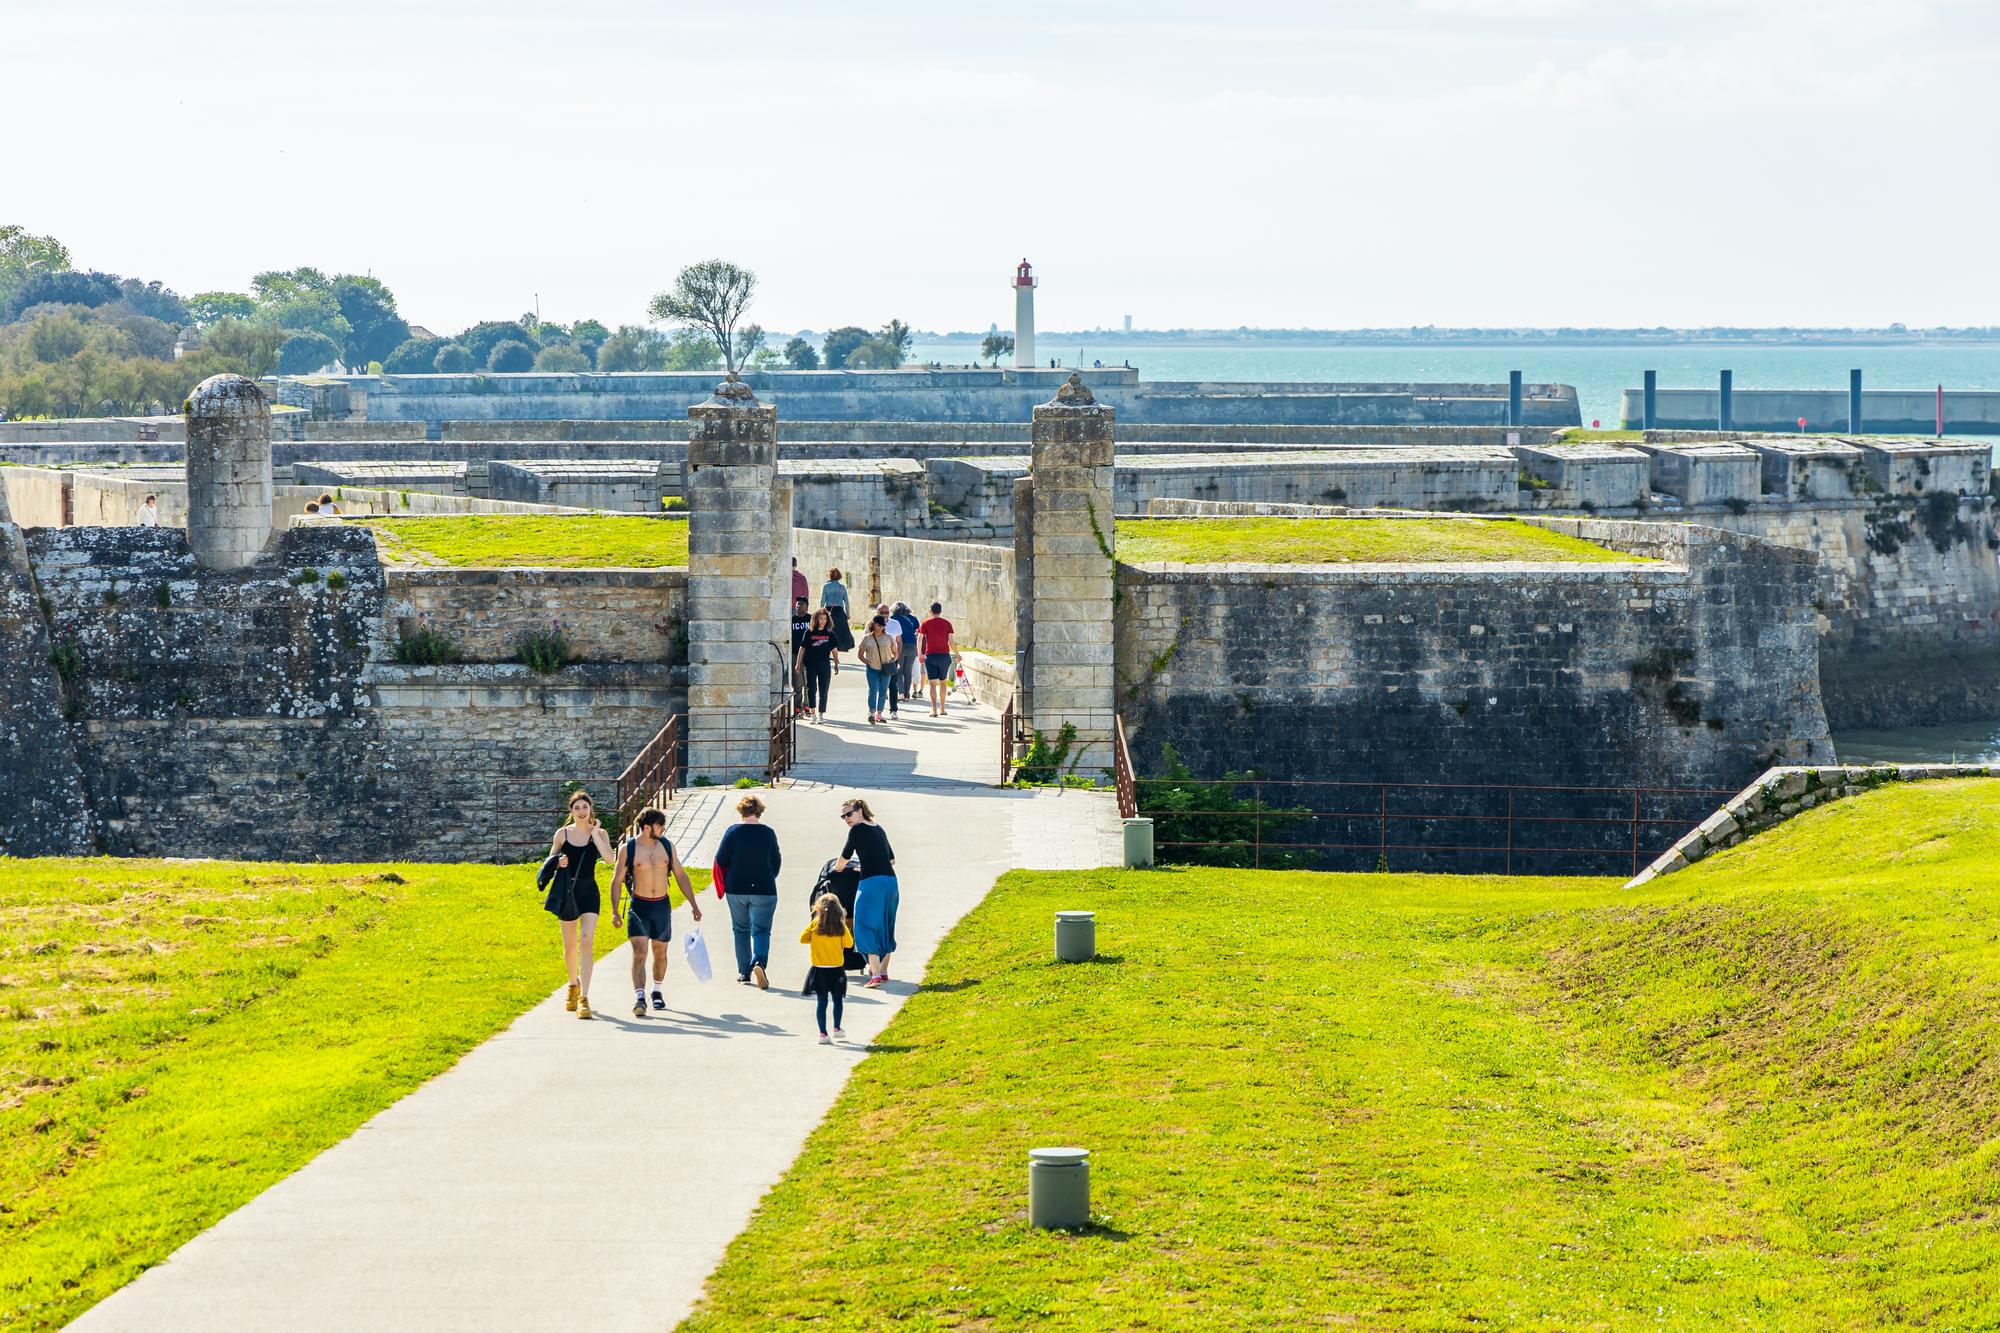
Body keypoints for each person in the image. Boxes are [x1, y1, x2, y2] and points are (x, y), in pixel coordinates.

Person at [609, 806, 700, 1017]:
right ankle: (639, 997)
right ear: (647, 827)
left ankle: (656, 991)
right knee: (639, 952)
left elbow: (680, 874)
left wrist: (694, 904)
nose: (663, 830)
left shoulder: (667, 846)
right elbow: (616, 881)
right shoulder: (629, 849)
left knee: (660, 953)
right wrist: (614, 911)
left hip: (661, 905)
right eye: (660, 826)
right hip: (639, 906)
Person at [544, 790, 616, 1020]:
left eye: (585, 807)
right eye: (577, 808)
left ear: (590, 809)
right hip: (568, 892)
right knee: (570, 946)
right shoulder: (562, 834)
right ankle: (573, 985)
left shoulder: (600, 833)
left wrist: (594, 833)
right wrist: (559, 862)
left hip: (589, 892)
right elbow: (548, 863)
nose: (582, 811)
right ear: (571, 811)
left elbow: (610, 859)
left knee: (586, 942)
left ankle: (584, 997)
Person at [715, 793, 782, 987]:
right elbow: (776, 861)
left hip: (736, 888)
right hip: (764, 887)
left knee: (740, 929)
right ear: (759, 811)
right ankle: (759, 962)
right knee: (761, 930)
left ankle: (744, 972)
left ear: (741, 811)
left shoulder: (732, 832)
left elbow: (721, 859)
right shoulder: (768, 833)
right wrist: (769, 876)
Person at [836, 797, 897, 987]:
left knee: (864, 925)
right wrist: (866, 864)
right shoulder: (878, 828)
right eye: (843, 816)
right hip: (890, 882)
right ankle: (884, 971)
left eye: (849, 814)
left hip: (871, 884)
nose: (846, 818)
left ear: (860, 811)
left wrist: (837, 868)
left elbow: (844, 857)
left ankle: (875, 975)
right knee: (886, 925)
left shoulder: (857, 829)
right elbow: (891, 859)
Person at [800, 892, 853, 1044]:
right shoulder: (840, 926)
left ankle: (823, 1033)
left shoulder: (815, 925)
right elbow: (849, 944)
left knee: (821, 1002)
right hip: (836, 968)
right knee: (838, 1000)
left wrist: (813, 933)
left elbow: (802, 939)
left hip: (819, 969)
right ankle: (837, 1028)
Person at [797, 609, 839, 722]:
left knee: (823, 690)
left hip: (824, 665)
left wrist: (836, 663)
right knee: (811, 689)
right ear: (816, 619)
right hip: (810, 665)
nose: (823, 621)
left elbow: (834, 650)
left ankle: (821, 714)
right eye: (821, 618)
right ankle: (813, 714)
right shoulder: (809, 632)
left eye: (825, 619)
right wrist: (798, 664)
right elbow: (802, 648)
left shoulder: (830, 634)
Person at [857, 615, 899, 725]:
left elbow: (895, 652)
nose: (881, 627)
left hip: (886, 668)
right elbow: (860, 654)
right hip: (872, 668)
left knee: (883, 691)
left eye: (883, 626)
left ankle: (879, 714)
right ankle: (871, 713)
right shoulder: (867, 638)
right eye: (879, 625)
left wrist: (893, 661)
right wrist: (867, 662)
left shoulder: (888, 638)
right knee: (873, 690)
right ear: (873, 624)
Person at [918, 601, 955, 717]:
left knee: (933, 684)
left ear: (930, 611)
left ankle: (934, 710)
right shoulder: (947, 623)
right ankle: (942, 708)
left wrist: (919, 653)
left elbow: (920, 639)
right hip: (944, 656)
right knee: (943, 682)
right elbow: (951, 641)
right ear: (941, 611)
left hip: (931, 656)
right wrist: (957, 654)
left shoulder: (925, 623)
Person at [873, 603, 904, 716]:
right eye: (882, 613)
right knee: (877, 686)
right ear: (877, 612)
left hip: (891, 659)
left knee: (892, 685)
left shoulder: (895, 624)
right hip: (876, 659)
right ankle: (877, 710)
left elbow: (899, 642)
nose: (885, 615)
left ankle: (894, 710)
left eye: (887, 612)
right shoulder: (871, 624)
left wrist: (897, 658)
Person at [891, 602, 921, 704]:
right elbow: (917, 628)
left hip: (900, 646)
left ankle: (901, 693)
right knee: (908, 671)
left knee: (899, 670)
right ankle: (907, 694)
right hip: (912, 646)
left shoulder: (893, 618)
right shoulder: (912, 618)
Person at [790, 596, 812, 715]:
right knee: (797, 682)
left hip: (809, 655)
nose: (799, 606)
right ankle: (797, 707)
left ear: (806, 607)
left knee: (809, 681)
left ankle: (807, 705)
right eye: (797, 604)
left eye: (802, 604)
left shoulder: (811, 619)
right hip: (795, 653)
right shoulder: (791, 620)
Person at [823, 568, 853, 651]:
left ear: (830, 576)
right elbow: (846, 602)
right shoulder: (842, 587)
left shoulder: (826, 586)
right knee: (841, 631)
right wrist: (848, 614)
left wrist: (821, 613)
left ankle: (830, 649)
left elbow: (822, 601)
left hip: (829, 611)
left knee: (829, 630)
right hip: (839, 611)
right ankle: (839, 648)